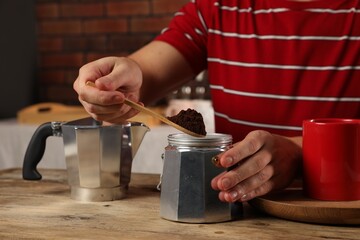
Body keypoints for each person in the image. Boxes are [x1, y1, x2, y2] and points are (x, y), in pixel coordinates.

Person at [74, 0, 360, 203]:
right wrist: (118, 82)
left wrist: (298, 153)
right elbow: (144, 75)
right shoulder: (217, 6)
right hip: (233, 209)